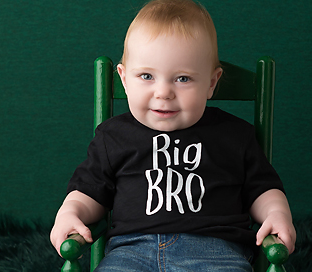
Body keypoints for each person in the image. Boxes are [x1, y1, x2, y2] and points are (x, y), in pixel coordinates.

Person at [50, 0, 296, 270]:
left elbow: (262, 188)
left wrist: (277, 212)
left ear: (211, 83)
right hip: (131, 252)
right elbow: (89, 190)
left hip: (215, 252)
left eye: (183, 79)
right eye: (146, 76)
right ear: (123, 78)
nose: (163, 92)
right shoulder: (114, 136)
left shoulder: (234, 135)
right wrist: (70, 211)